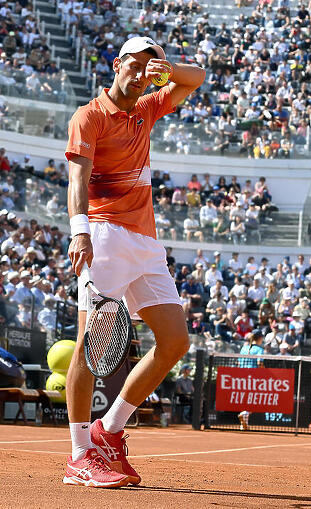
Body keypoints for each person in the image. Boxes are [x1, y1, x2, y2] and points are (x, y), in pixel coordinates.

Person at [63, 36, 205, 488]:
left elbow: (197, 78)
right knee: (91, 344)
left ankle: (110, 428)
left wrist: (164, 66)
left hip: (146, 242)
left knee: (175, 340)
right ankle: (79, 455)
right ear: (116, 64)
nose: (142, 74)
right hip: (102, 235)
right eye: (135, 64)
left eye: (150, 68)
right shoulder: (89, 116)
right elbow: (78, 177)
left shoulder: (146, 108)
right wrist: (79, 231)